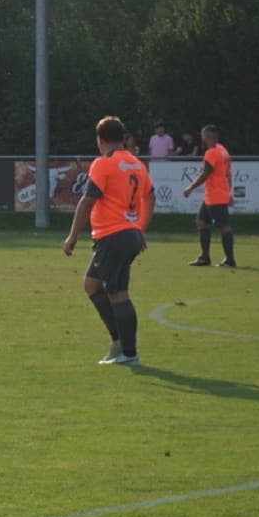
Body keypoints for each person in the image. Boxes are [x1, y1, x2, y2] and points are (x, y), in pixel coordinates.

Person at [61, 115, 153, 366]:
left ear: (100, 140)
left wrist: (72, 236)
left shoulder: (104, 163)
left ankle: (129, 353)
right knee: (92, 284)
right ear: (122, 138)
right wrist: (140, 227)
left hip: (113, 235)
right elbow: (150, 196)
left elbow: (88, 200)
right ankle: (118, 342)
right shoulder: (136, 164)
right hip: (127, 234)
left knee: (118, 294)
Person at [181, 124, 236, 268]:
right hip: (213, 195)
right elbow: (227, 173)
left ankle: (230, 260)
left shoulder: (211, 152)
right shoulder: (223, 150)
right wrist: (229, 192)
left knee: (224, 227)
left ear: (207, 136)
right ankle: (205, 257)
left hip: (215, 196)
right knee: (201, 222)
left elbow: (206, 173)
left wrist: (191, 187)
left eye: (203, 135)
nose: (202, 138)